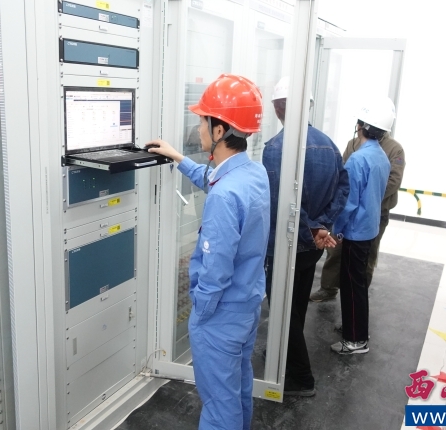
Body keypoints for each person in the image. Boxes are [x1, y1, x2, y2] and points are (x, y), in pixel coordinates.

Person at [147, 74, 269, 430]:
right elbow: (213, 178)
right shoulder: (254, 173)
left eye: (202, 121)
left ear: (219, 130)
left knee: (218, 404)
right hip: (246, 307)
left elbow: (216, 272)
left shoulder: (225, 195)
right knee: (238, 389)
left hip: (220, 316)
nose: (198, 127)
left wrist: (199, 314)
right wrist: (178, 157)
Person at [261, 77, 349, 396]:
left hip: (287, 246)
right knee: (297, 301)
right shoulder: (328, 145)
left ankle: (301, 378)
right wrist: (321, 226)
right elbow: (343, 188)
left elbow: (281, 205)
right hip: (313, 247)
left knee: (283, 307)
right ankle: (282, 351)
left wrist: (311, 228)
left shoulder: (275, 149)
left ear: (277, 108)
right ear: (308, 106)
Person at [310, 100, 405, 303]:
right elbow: (343, 173)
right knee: (336, 251)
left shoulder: (394, 149)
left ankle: (357, 293)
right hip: (354, 211)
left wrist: (369, 198)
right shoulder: (354, 145)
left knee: (365, 258)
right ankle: (329, 288)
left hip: (375, 212)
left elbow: (393, 181)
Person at [324, 97, 392, 354]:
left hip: (355, 230)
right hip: (369, 228)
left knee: (351, 285)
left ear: (360, 126)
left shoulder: (357, 159)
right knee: (358, 283)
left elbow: (349, 202)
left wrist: (337, 229)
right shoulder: (381, 157)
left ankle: (355, 340)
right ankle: (357, 327)